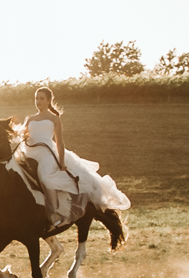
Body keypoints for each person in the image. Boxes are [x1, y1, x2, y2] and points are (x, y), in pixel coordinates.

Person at [20, 87, 130, 221]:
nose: (38, 101)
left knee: (46, 179)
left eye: (42, 98)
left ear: (49, 101)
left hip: (47, 154)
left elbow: (60, 142)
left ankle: (54, 213)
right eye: (36, 98)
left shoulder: (54, 119)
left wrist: (61, 162)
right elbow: (22, 137)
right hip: (29, 152)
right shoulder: (29, 119)